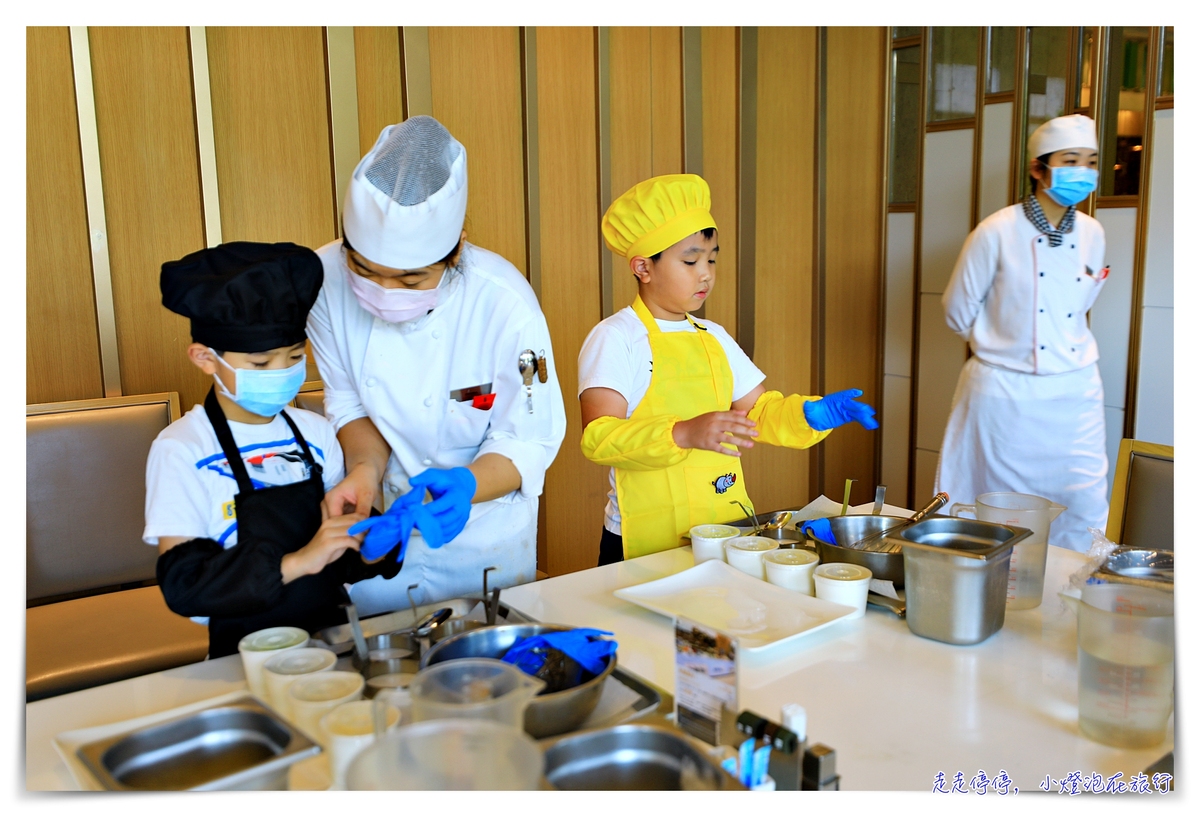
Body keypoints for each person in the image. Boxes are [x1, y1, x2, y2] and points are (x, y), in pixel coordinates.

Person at [308, 116, 567, 615]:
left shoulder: (507, 304)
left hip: (485, 536)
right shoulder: (324, 283)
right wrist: (363, 472)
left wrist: (469, 485)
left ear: (457, 249)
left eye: (409, 281)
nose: (382, 292)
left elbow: (530, 436)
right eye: (364, 270)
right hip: (383, 525)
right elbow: (347, 401)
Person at [578, 174, 878, 564]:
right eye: (690, 261)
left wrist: (811, 414)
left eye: (712, 258)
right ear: (643, 268)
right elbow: (599, 437)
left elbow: (758, 413)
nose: (706, 273)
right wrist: (682, 432)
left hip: (724, 532)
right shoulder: (616, 338)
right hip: (641, 540)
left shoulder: (713, 336)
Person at [146, 242, 401, 658]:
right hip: (244, 655)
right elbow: (185, 584)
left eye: (295, 356)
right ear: (204, 358)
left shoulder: (317, 434)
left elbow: (343, 554)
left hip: (335, 644)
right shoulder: (182, 448)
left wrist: (379, 540)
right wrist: (300, 560)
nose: (282, 373)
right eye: (261, 365)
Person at [935, 114, 1108, 551]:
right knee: (994, 507)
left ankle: (1068, 600)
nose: (1083, 171)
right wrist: (1003, 343)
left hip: (1074, 393)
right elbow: (957, 312)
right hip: (1003, 396)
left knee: (1082, 504)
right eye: (1071, 160)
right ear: (1038, 168)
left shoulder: (1092, 233)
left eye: (1091, 162)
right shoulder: (996, 230)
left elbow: (1079, 306)